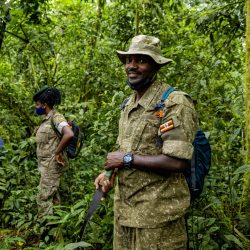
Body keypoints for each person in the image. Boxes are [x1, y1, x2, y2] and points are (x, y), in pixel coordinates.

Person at [95, 35, 198, 249]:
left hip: (157, 219)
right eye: (128, 60)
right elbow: (125, 150)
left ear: (155, 66)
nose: (131, 66)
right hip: (125, 213)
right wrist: (108, 175)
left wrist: (126, 159)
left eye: (141, 60)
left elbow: (177, 162)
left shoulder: (174, 102)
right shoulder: (128, 104)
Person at [33, 86, 73, 219]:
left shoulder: (56, 117)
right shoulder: (46, 120)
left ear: (44, 105)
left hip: (52, 164)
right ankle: (56, 232)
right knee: (53, 197)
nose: (36, 107)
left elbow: (69, 134)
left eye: (37, 104)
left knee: (43, 197)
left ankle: (46, 231)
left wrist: (57, 152)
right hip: (45, 165)